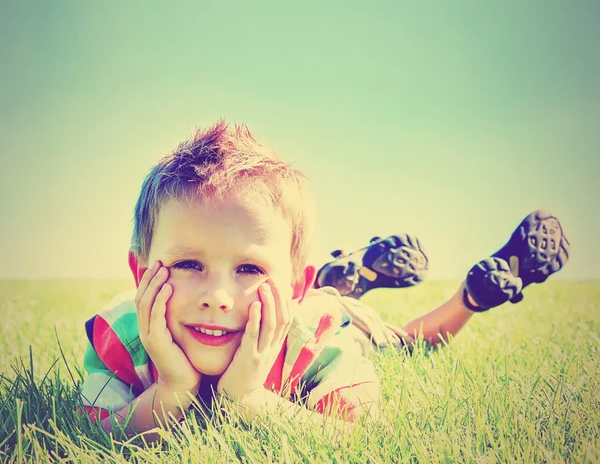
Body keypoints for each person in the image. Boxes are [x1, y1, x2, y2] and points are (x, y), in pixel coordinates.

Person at [79, 121, 570, 440]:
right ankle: (345, 275)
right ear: (141, 273)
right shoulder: (121, 334)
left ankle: (470, 296)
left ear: (294, 288)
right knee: (329, 297)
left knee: (400, 341)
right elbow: (97, 433)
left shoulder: (314, 334)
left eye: (249, 268)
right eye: (189, 264)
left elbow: (358, 434)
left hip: (334, 318)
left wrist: (248, 399)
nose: (218, 298)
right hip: (299, 296)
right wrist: (171, 388)